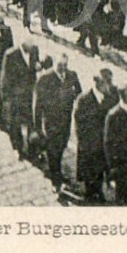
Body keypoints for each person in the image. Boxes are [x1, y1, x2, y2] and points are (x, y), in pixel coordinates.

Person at [33, 54, 81, 190]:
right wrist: (37, 127)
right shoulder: (45, 79)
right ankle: (56, 181)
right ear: (55, 64)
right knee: (53, 150)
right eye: (60, 65)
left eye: (65, 65)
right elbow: (37, 105)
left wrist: (73, 99)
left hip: (65, 121)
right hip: (50, 122)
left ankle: (56, 171)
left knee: (61, 147)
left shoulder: (72, 75)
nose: (63, 69)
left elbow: (79, 93)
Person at [73, 68, 117, 203]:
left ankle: (98, 192)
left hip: (105, 144)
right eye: (106, 83)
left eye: (110, 82)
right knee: (90, 174)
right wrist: (86, 146)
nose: (109, 86)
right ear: (97, 83)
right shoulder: (83, 100)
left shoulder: (112, 96)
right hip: (90, 146)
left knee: (101, 171)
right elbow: (79, 127)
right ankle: (90, 194)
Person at [0, 40, 38, 156]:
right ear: (23, 44)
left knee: (31, 121)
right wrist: (6, 97)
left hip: (28, 94)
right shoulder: (10, 55)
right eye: (30, 45)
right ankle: (17, 147)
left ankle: (33, 148)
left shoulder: (34, 50)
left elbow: (33, 68)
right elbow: (4, 78)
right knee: (15, 123)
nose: (32, 47)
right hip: (15, 96)